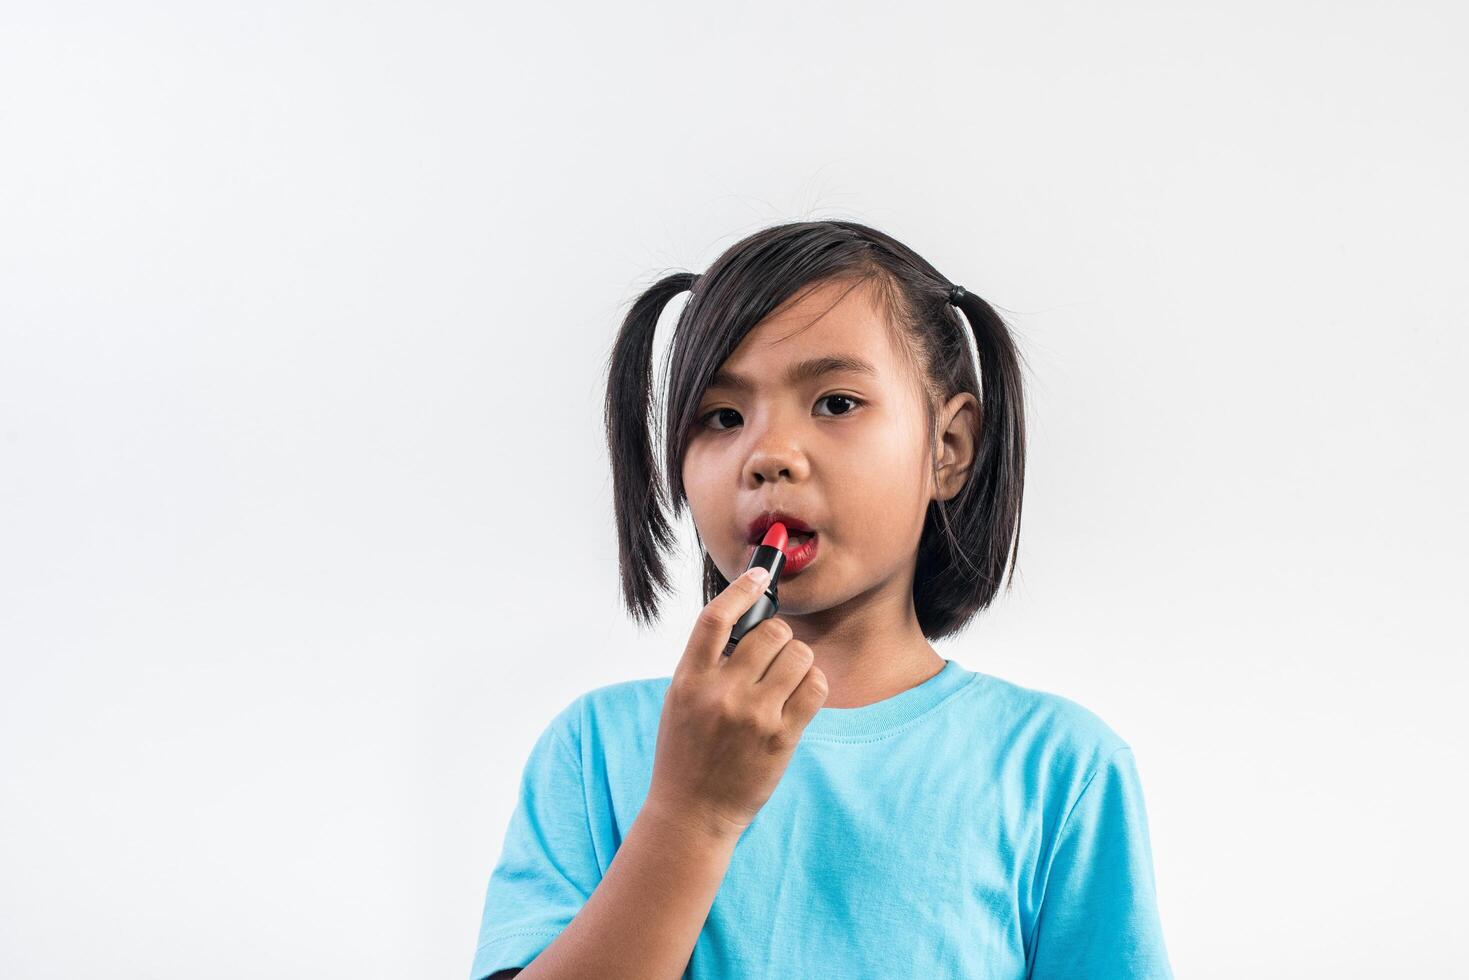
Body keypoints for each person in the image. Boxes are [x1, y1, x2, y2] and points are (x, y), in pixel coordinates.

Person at [469, 220, 1174, 979]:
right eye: (721, 417)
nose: (767, 454)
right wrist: (689, 814)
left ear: (948, 448)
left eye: (836, 403)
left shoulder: (1060, 768)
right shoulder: (594, 751)